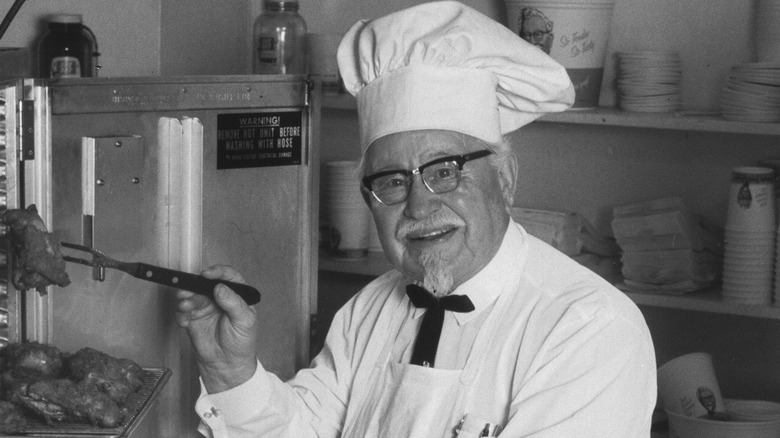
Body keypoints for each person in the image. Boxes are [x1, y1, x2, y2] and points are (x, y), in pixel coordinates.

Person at [175, 2, 657, 437]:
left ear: (505, 178)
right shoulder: (371, 309)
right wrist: (229, 372)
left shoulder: (588, 328)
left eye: (445, 172)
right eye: (391, 182)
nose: (419, 208)